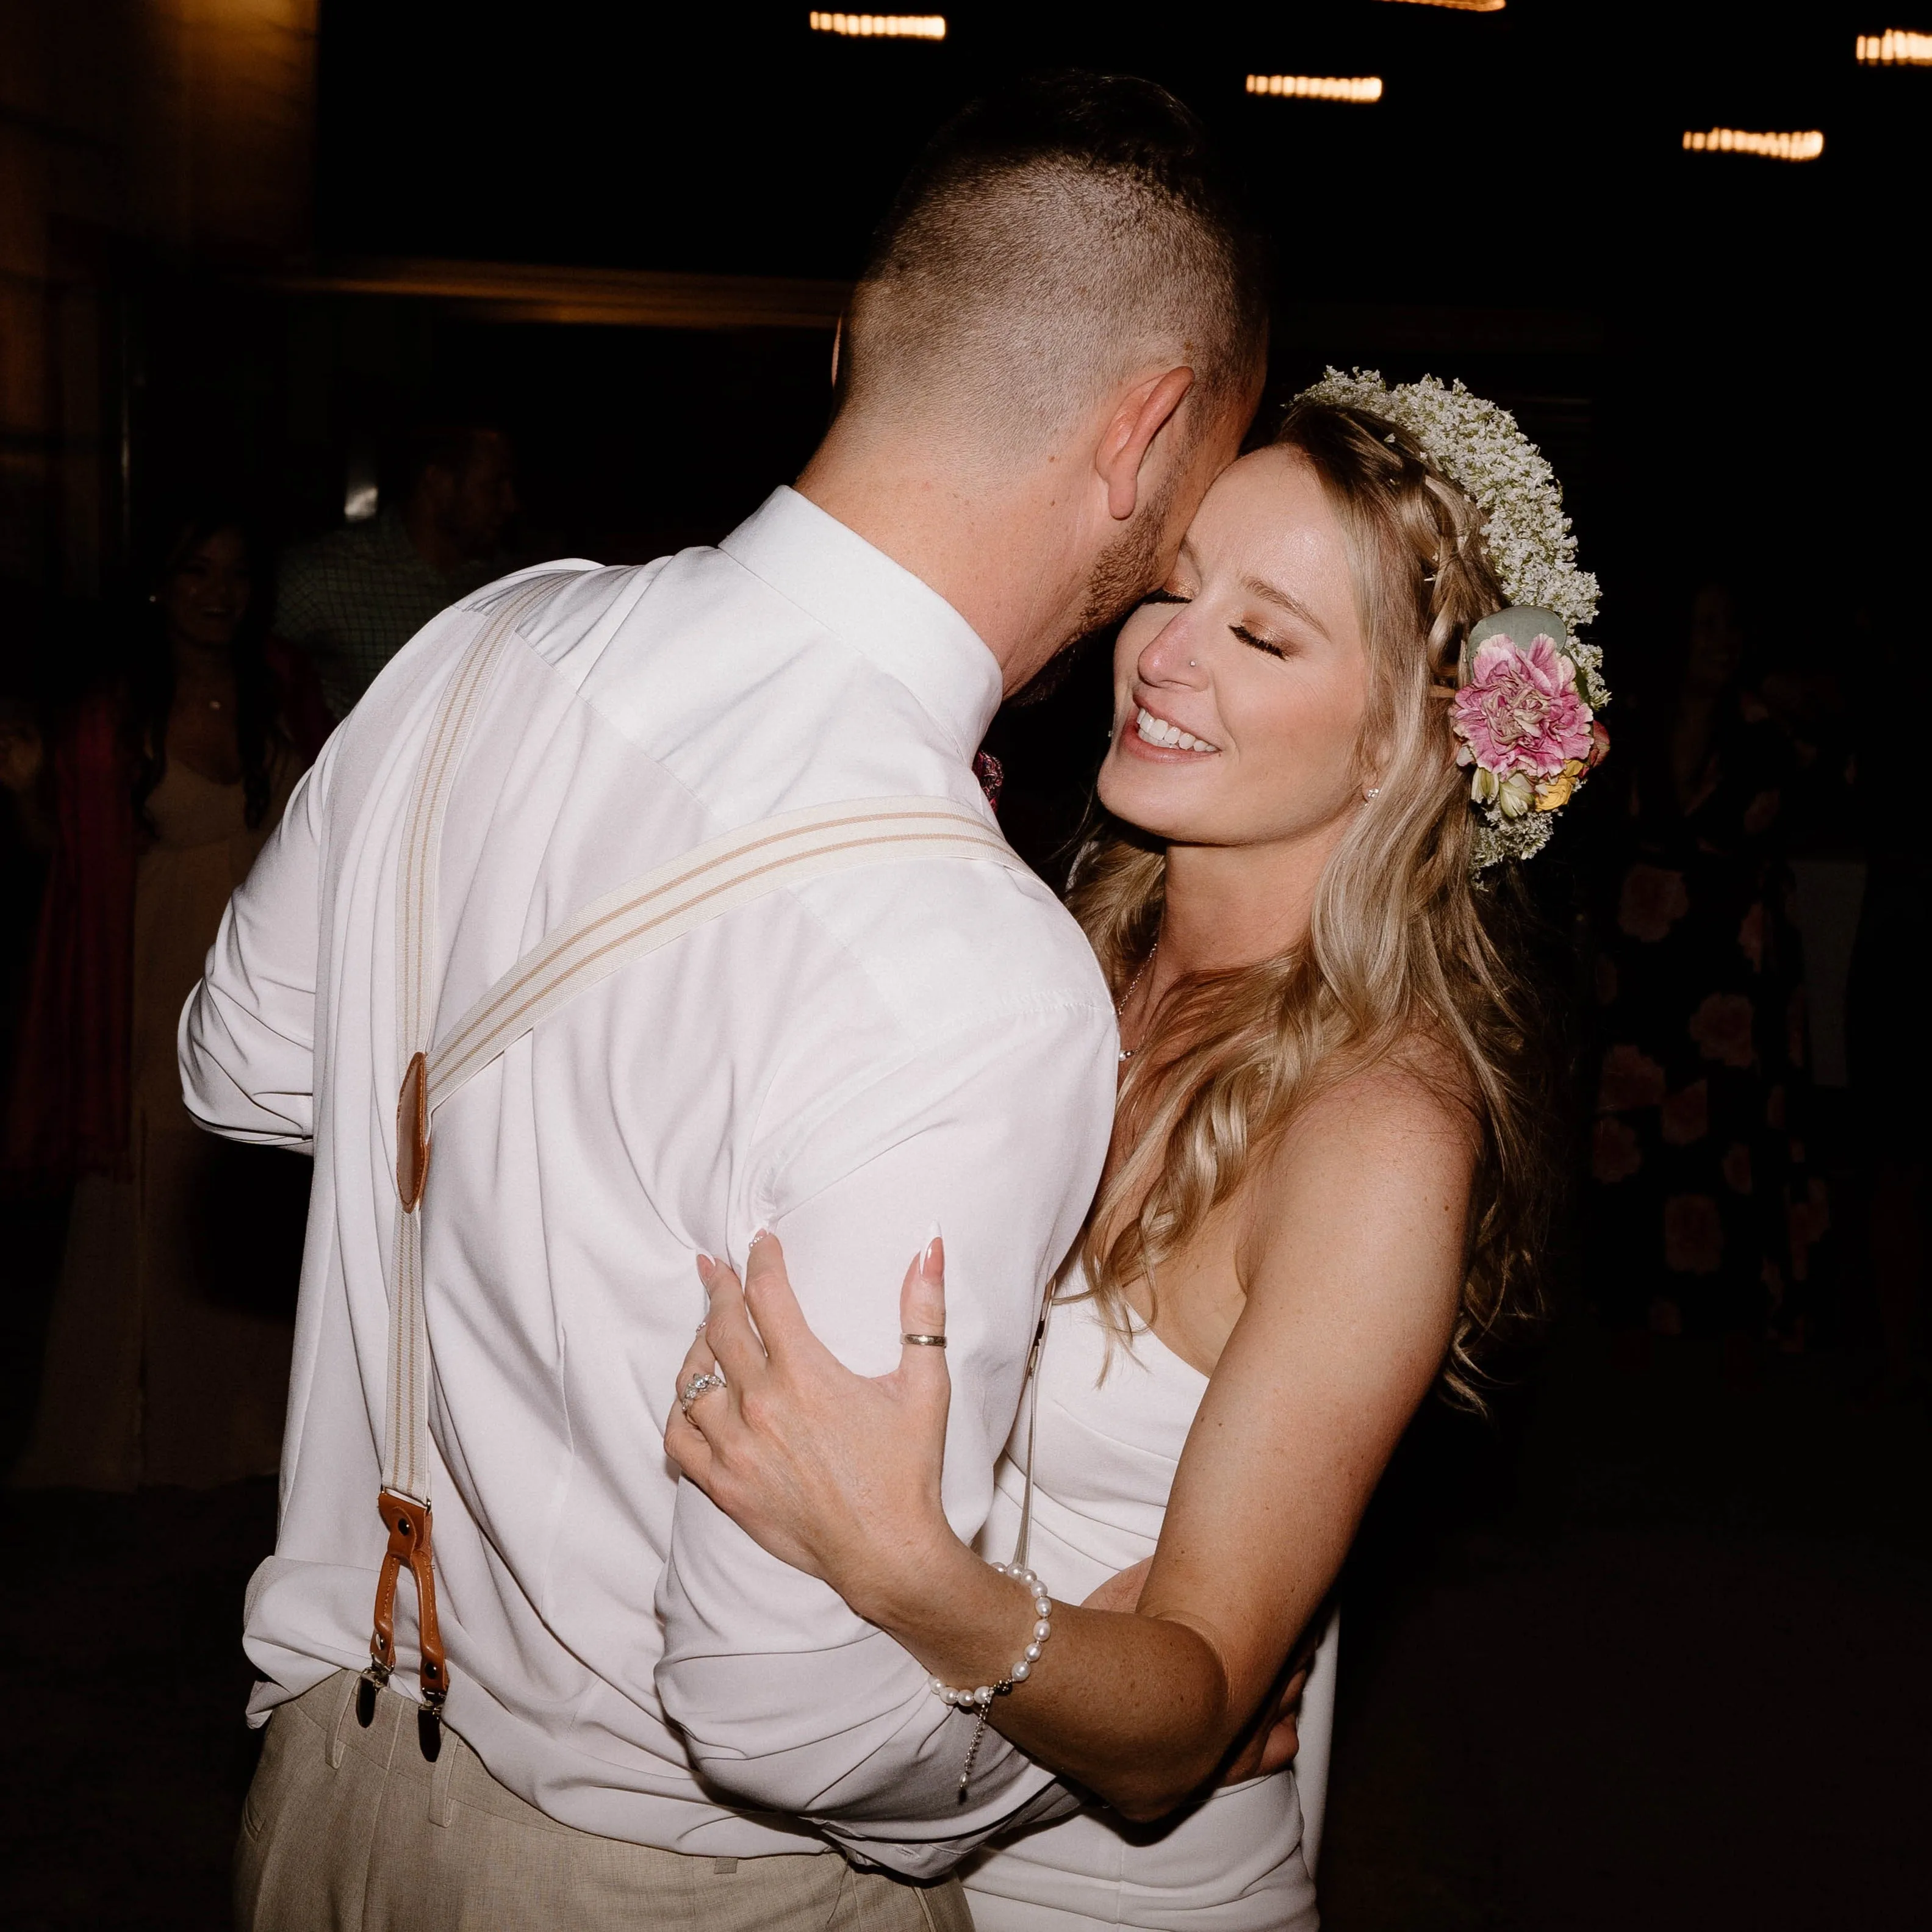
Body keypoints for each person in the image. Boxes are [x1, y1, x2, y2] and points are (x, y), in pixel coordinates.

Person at [181, 74, 1266, 1929]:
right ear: (1146, 429)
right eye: (1200, 480)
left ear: (858, 336)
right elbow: (790, 1706)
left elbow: (247, 1060)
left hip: (328, 1801)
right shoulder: (970, 967)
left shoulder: (481, 640)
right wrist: (1085, 1760)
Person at [666, 375, 1603, 1930]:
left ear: (1399, 747)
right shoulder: (1060, 960)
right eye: (1173, 589)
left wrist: (908, 1571)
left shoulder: (1374, 1134)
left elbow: (1184, 1717)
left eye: (1262, 633)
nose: (1163, 653)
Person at [4, 514, 328, 1489]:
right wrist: (23, 792)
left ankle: (250, 1432)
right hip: (149, 989)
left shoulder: (281, 688)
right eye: (196, 569)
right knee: (151, 1204)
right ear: (160, 584)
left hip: (263, 985)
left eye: (236, 570)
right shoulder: (111, 713)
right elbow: (62, 866)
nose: (218, 591)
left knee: (253, 1196)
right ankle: (131, 1430)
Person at [1589, 581, 1824, 1359]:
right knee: (1629, 1137)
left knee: (1725, 1142)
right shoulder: (1625, 723)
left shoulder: (1765, 726)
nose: (1721, 640)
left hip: (1730, 981)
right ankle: (1625, 1316)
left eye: (1732, 624)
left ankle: (1731, 1324)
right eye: (1706, 623)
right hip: (1640, 971)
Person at [276, 422, 519, 720]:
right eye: (495, 486)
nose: (511, 504)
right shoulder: (324, 574)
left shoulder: (510, 584)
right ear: (439, 483)